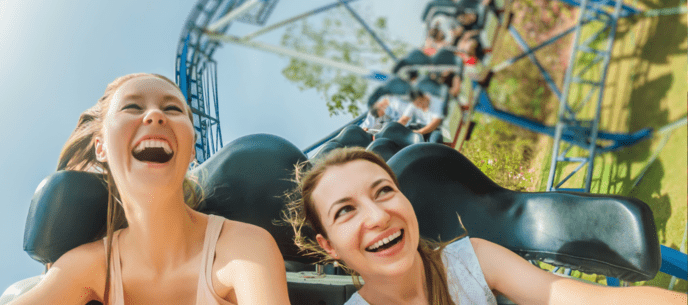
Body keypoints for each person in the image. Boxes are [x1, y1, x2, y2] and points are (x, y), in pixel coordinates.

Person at [9, 73, 290, 304]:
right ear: (101, 147)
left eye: (172, 109)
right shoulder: (87, 265)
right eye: (132, 107)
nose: (155, 115)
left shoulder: (243, 247)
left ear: (192, 149)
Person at [283, 147, 688, 305]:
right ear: (328, 245)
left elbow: (588, 301)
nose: (377, 216)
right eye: (345, 211)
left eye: (384, 191)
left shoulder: (468, 260)